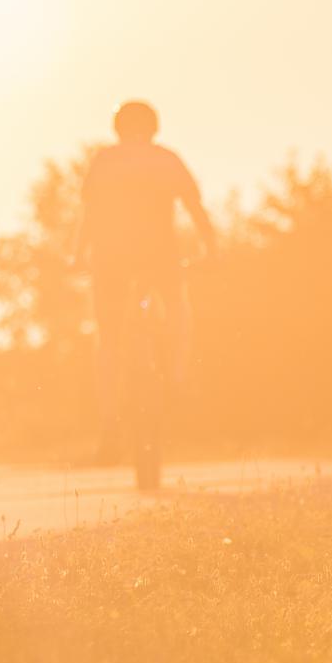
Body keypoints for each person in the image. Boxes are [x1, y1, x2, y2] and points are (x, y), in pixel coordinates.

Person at [72, 100, 217, 464]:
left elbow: (89, 214)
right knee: (178, 305)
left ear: (117, 128)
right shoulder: (166, 159)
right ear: (154, 128)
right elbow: (195, 207)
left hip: (110, 260)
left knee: (107, 339)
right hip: (160, 257)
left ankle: (108, 424)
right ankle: (179, 379)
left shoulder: (105, 161)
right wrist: (212, 249)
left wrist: (77, 255)